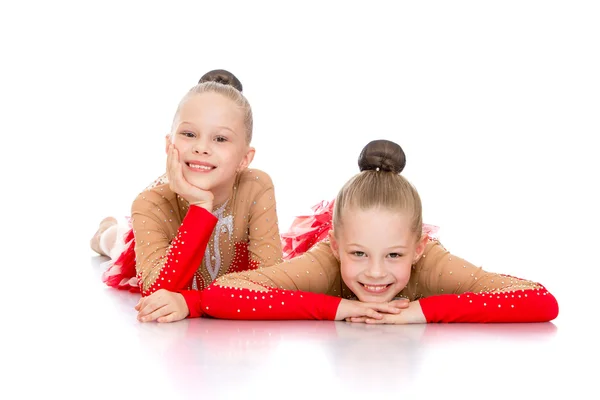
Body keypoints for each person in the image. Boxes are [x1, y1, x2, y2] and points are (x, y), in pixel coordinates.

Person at [135, 139, 559, 324]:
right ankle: (111, 235)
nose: (375, 273)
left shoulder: (432, 262)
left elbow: (541, 301)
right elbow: (224, 293)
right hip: (306, 248)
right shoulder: (325, 261)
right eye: (358, 254)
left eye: (393, 255)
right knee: (126, 247)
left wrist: (421, 311)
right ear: (335, 247)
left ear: (418, 247)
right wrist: (338, 308)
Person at [91, 71, 283, 297]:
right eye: (189, 134)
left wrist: (195, 302)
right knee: (119, 243)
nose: (201, 147)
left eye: (220, 138)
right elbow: (157, 291)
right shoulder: (150, 203)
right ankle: (106, 232)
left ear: (245, 158)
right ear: (168, 144)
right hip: (152, 245)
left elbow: (270, 282)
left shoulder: (256, 186)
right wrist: (200, 206)